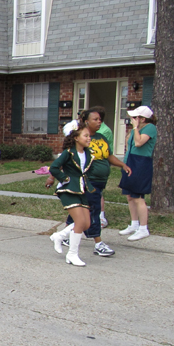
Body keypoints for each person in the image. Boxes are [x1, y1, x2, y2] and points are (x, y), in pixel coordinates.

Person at [50, 110, 131, 257]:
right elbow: (61, 163)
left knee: (82, 218)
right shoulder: (75, 148)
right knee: (92, 214)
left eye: (101, 119)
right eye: (96, 119)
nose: (99, 122)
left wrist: (122, 165)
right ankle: (96, 244)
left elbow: (108, 156)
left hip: (96, 183)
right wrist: (61, 178)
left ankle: (63, 236)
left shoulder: (97, 141)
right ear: (86, 122)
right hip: (84, 183)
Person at [48, 122, 95, 266]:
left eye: (89, 136)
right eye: (85, 135)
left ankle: (59, 236)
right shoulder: (68, 153)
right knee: (80, 222)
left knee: (86, 224)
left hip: (81, 189)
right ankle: (72, 254)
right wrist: (65, 178)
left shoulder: (87, 153)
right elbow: (54, 167)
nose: (89, 138)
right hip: (68, 190)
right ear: (76, 137)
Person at [119, 105, 158, 241]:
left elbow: (139, 143)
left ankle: (143, 228)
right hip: (130, 161)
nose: (133, 119)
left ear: (143, 118)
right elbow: (128, 143)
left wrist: (135, 128)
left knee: (138, 196)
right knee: (129, 195)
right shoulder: (138, 129)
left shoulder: (150, 128)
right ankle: (134, 224)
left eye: (136, 117)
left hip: (141, 163)